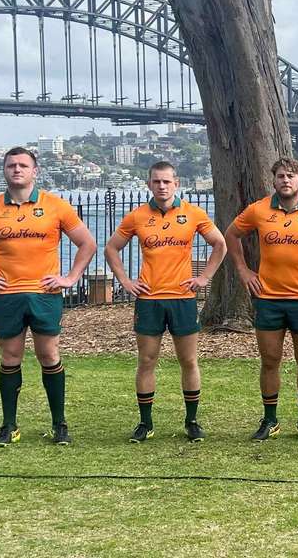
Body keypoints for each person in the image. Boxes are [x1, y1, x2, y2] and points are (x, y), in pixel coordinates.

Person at [0, 146, 96, 447]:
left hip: (45, 293)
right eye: (11, 165)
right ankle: (9, 425)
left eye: (22, 165)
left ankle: (59, 425)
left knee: (49, 355)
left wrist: (70, 278)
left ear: (35, 171)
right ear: (4, 171)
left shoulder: (56, 206)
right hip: (8, 295)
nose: (16, 170)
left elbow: (87, 243)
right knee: (10, 357)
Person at [104, 161, 226, 443]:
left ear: (176, 183)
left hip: (182, 298)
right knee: (147, 360)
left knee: (188, 360)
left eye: (167, 181)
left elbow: (220, 244)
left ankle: (192, 420)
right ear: (149, 184)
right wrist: (125, 281)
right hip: (149, 299)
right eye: (156, 181)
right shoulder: (137, 216)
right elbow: (111, 248)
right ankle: (145, 423)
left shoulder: (192, 214)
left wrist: (205, 277)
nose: (162, 186)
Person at [225, 157, 298, 442]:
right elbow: (231, 234)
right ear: (274, 180)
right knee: (270, 361)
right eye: (280, 176)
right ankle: (270, 419)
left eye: (291, 175)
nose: (285, 180)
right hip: (268, 299)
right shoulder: (259, 210)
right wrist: (243, 270)